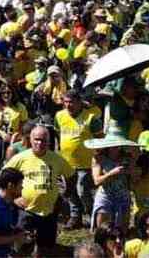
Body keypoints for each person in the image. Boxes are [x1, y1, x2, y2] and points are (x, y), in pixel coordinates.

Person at [3, 125, 74, 256]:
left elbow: (70, 175)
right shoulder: (21, 158)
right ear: (30, 139)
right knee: (21, 244)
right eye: (36, 139)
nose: (39, 143)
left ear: (49, 142)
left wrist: (65, 195)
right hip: (26, 210)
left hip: (49, 211)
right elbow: (3, 177)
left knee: (45, 247)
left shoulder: (57, 159)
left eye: (43, 140)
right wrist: (13, 198)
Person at [55, 89, 102, 229]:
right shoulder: (59, 116)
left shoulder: (91, 118)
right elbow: (58, 134)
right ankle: (76, 218)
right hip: (67, 162)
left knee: (82, 191)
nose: (68, 105)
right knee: (70, 191)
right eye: (66, 102)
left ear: (80, 103)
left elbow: (100, 138)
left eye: (72, 102)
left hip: (86, 163)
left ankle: (94, 214)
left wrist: (99, 158)